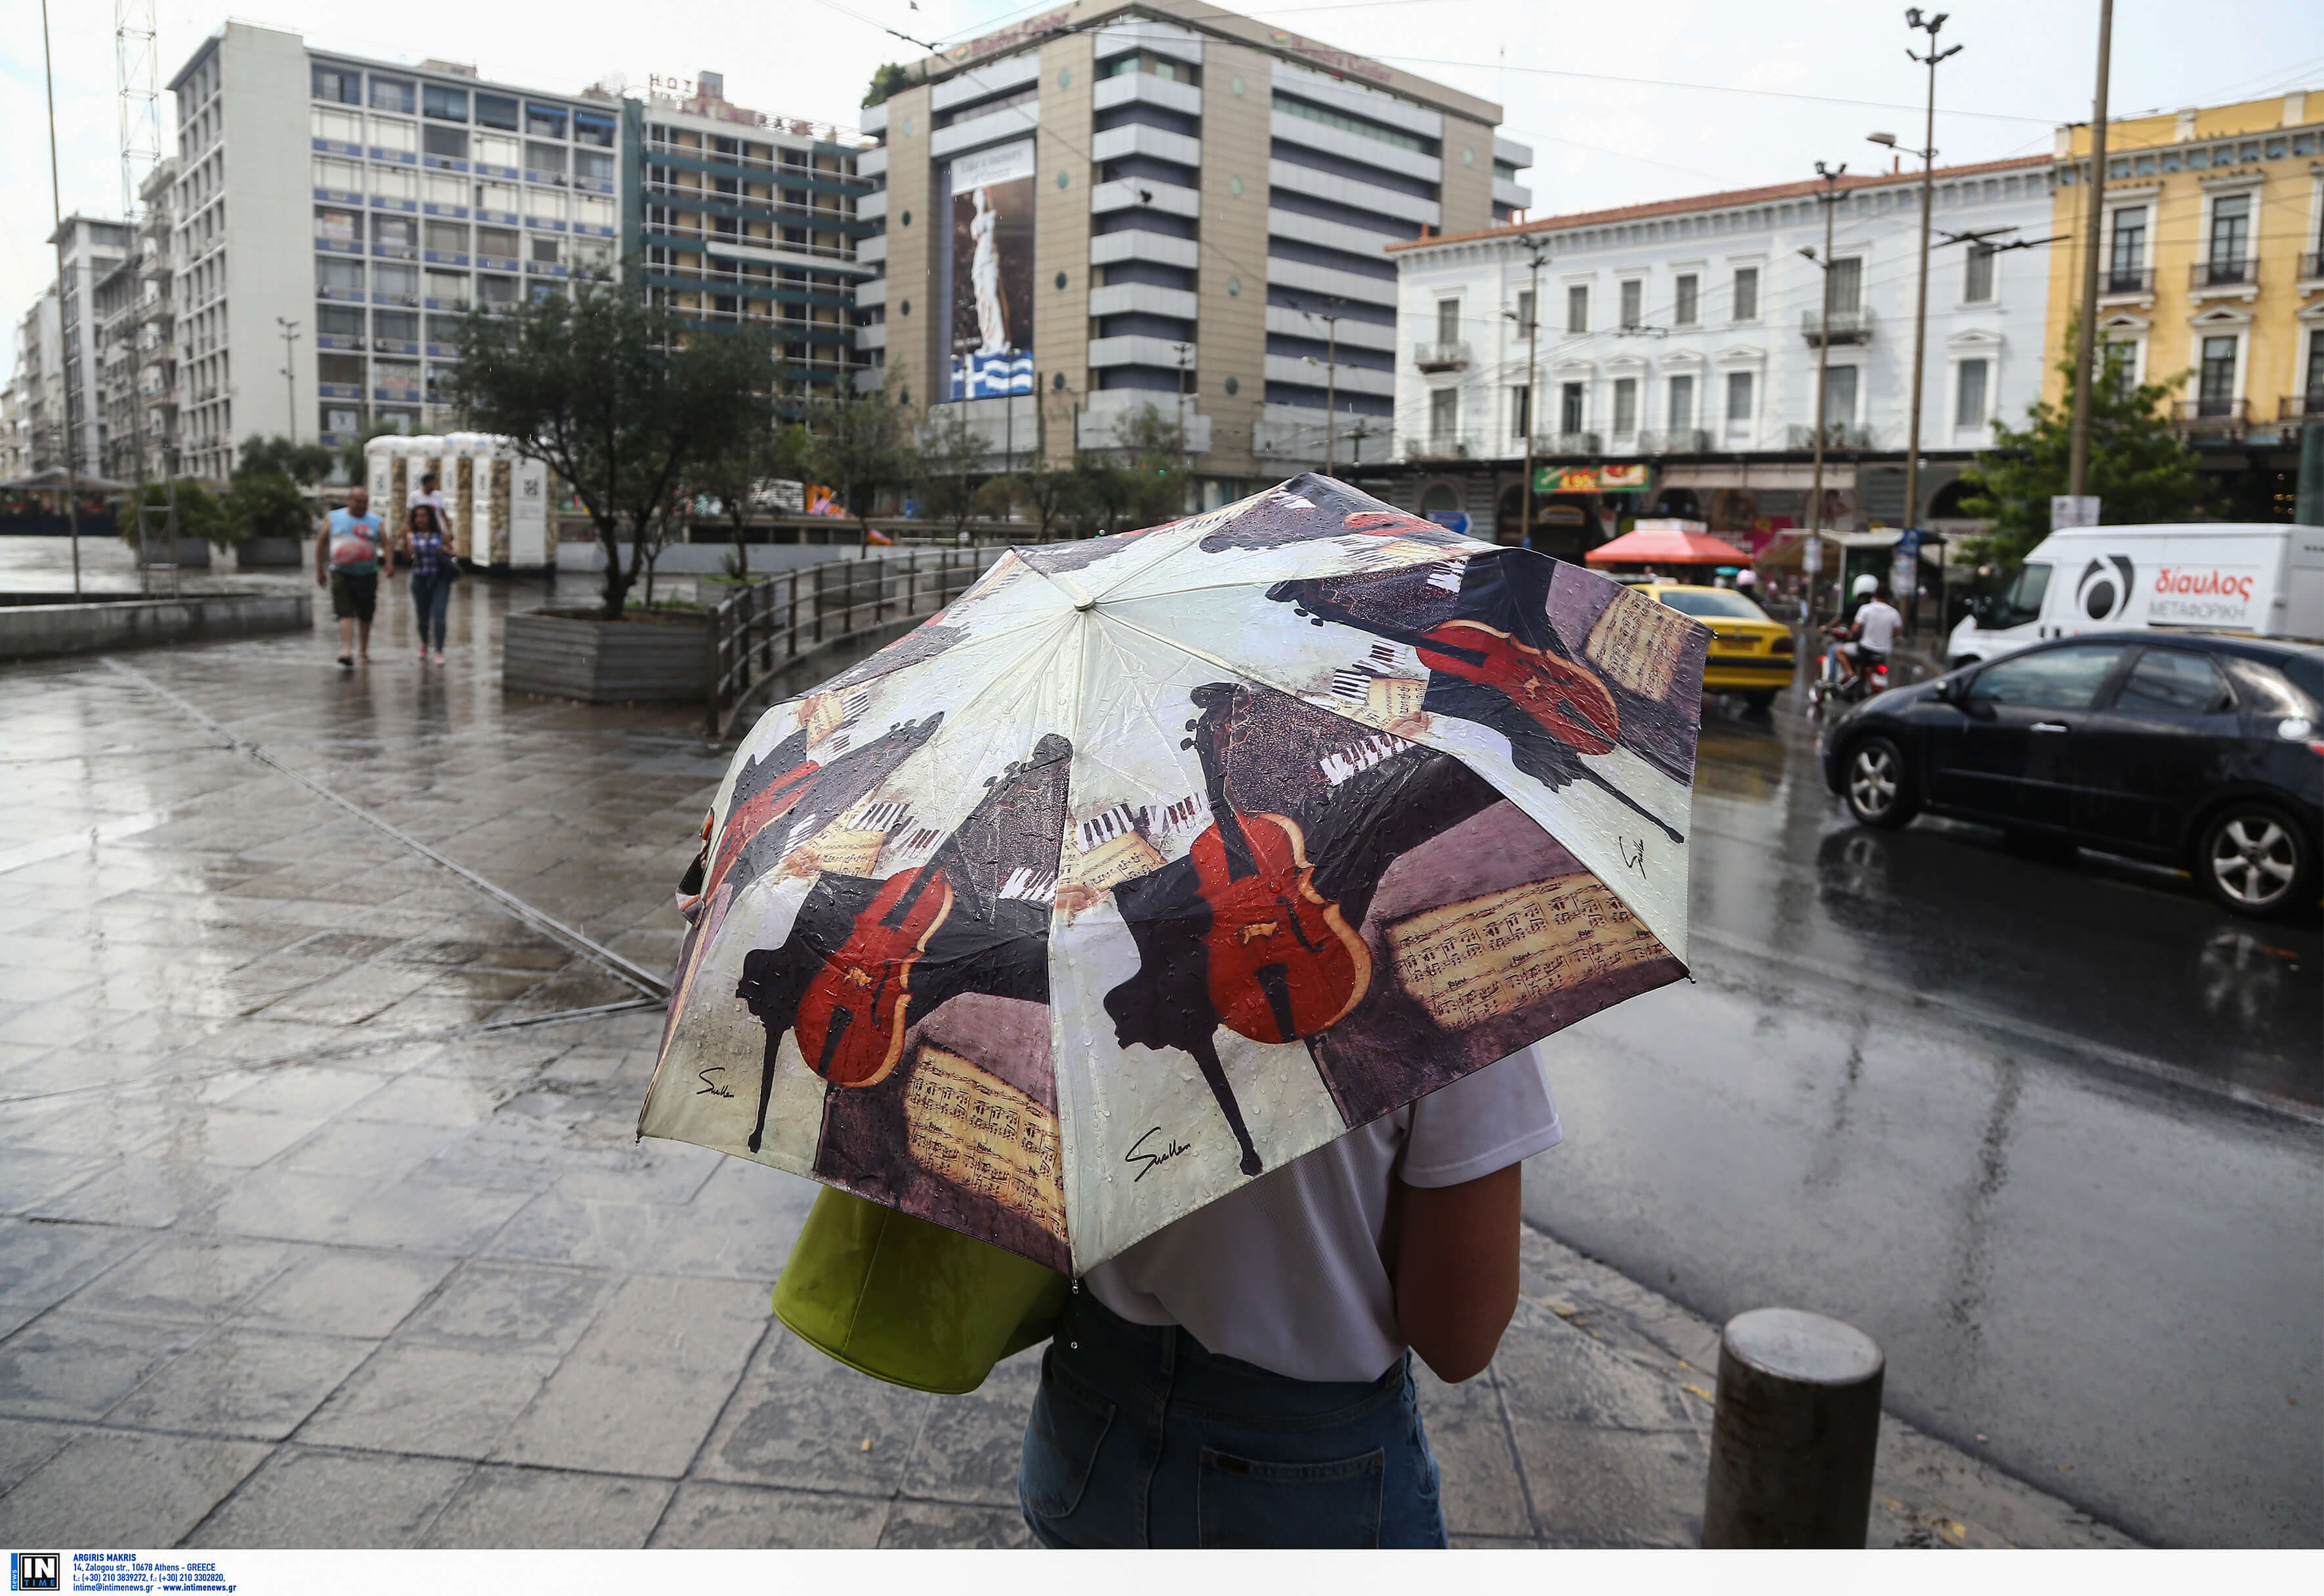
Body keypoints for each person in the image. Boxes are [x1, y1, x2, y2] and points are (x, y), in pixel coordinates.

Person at [1019, 1045, 1561, 1549]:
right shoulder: (1449, 976)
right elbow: (1459, 1340)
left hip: (1087, 1413)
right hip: (1304, 1468)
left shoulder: (1067, 944)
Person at [316, 486, 389, 669]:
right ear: (349, 501)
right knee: (344, 611)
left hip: (367, 573)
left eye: (365, 502)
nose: (362, 505)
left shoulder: (375, 521)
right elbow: (321, 541)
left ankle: (363, 650)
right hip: (341, 571)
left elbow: (386, 543)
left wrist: (389, 563)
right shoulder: (333, 518)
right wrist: (320, 569)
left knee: (366, 612)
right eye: (358, 502)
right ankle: (347, 650)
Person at [403, 501, 455, 665]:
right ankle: (425, 642)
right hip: (420, 579)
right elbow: (406, 557)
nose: (420, 519)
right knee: (422, 616)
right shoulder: (412, 536)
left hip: (440, 579)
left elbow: (453, 551)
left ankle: (439, 650)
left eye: (423, 515)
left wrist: (447, 551)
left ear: (430, 518)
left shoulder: (441, 535)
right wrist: (405, 540)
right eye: (417, 516)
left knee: (439, 614)